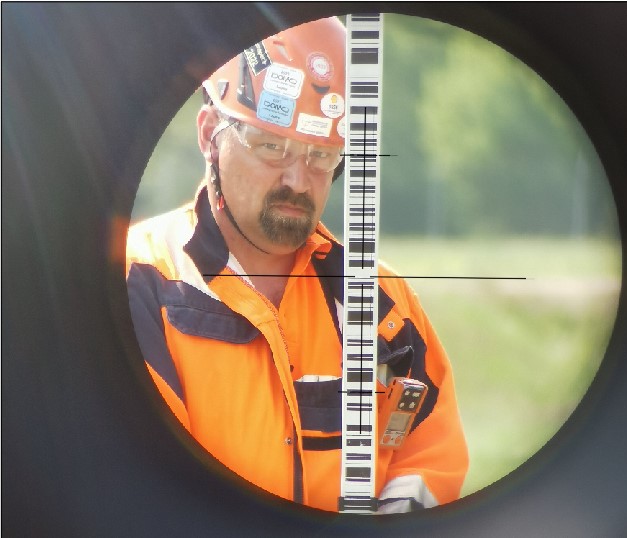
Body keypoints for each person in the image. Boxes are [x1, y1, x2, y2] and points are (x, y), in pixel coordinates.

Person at [126, 16, 468, 513]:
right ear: (209, 135)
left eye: (321, 156)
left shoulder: (384, 305)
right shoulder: (141, 282)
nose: (298, 180)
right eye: (272, 147)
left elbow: (427, 455)